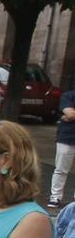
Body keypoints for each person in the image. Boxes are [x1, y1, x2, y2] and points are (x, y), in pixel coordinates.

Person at [49, 80, 75, 209]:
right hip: (67, 138)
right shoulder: (68, 96)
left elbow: (70, 115)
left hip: (68, 134)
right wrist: (69, 115)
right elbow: (69, 113)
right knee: (61, 169)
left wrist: (71, 116)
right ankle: (55, 197)